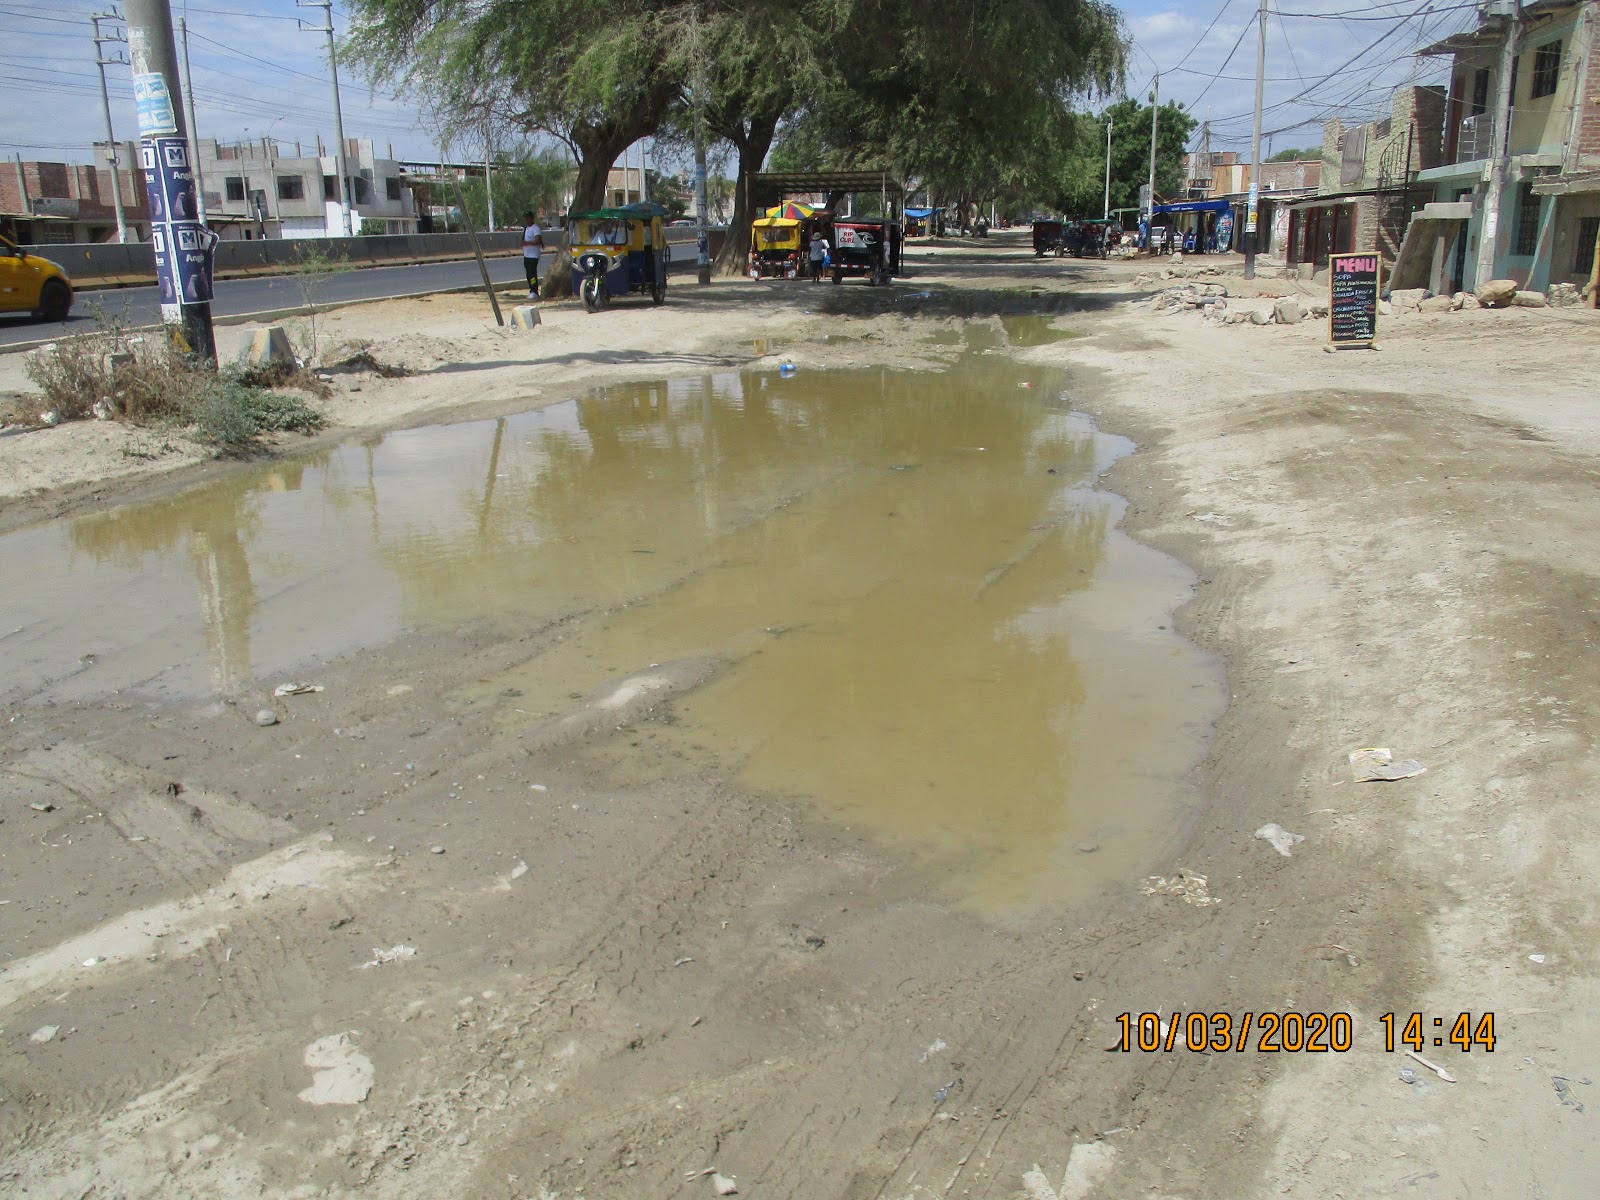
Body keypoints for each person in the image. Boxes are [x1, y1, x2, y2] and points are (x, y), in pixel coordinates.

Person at [521, 210, 543, 298]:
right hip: (526, 255)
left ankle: (534, 290)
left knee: (532, 274)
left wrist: (527, 243)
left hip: (533, 256)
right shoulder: (526, 228)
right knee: (528, 274)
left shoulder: (535, 228)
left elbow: (538, 240)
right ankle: (531, 289)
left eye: (528, 218)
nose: (526, 220)